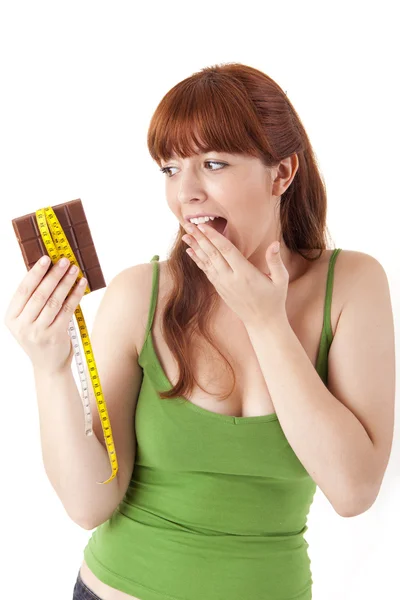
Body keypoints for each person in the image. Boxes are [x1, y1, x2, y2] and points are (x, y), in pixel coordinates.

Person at [4, 62, 394, 600]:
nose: (184, 193)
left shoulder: (352, 284)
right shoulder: (140, 294)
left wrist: (265, 321)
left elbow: (353, 490)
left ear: (280, 174)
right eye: (169, 169)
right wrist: (48, 369)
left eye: (213, 163)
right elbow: (89, 504)